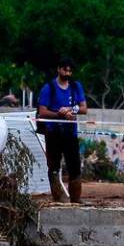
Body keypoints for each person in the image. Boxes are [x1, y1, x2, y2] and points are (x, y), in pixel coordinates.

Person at [37, 57, 88, 203]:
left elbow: (84, 108)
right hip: (53, 132)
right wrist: (58, 114)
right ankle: (58, 198)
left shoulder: (75, 86)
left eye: (70, 70)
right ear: (59, 69)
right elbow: (42, 112)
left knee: (75, 166)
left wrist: (72, 110)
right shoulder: (49, 88)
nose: (68, 73)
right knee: (54, 166)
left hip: (70, 132)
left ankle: (76, 199)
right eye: (65, 69)